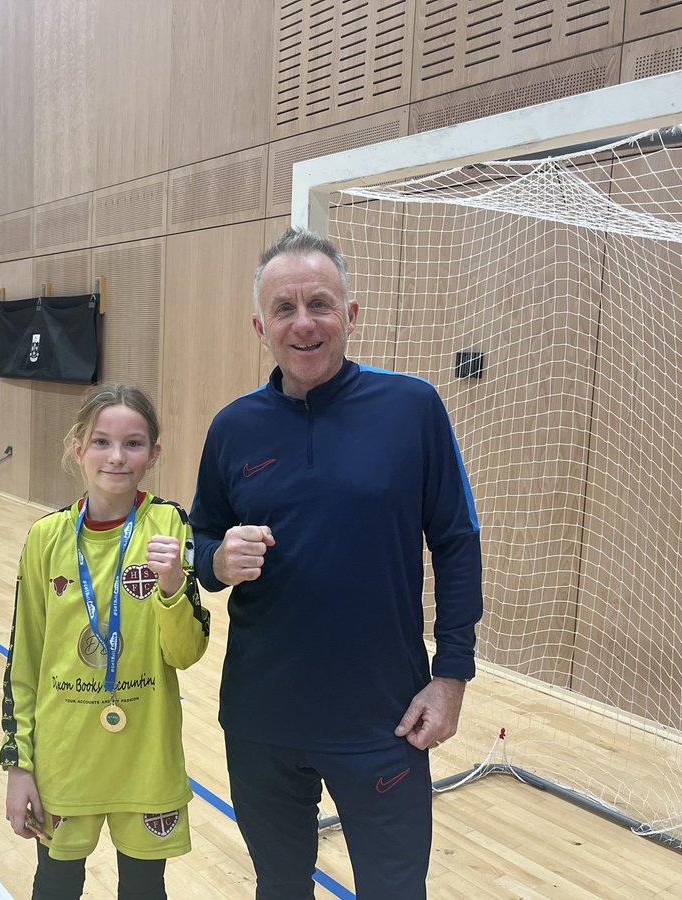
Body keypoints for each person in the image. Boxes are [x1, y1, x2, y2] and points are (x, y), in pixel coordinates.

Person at [189, 227, 483, 899]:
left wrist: (453, 676)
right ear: (259, 326)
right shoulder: (233, 427)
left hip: (386, 718)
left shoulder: (412, 408)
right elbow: (199, 541)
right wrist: (214, 560)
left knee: (395, 890)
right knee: (280, 886)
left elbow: (457, 540)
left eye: (319, 303)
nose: (304, 323)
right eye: (284, 310)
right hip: (263, 721)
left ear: (350, 314)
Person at [0, 383, 211, 900]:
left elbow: (185, 652)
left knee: (143, 890)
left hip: (145, 759)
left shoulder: (168, 524)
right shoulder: (46, 537)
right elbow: (23, 659)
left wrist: (170, 589)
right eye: (101, 442)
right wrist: (18, 763)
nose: (117, 457)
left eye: (134, 444)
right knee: (55, 886)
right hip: (64, 760)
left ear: (154, 453)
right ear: (78, 449)